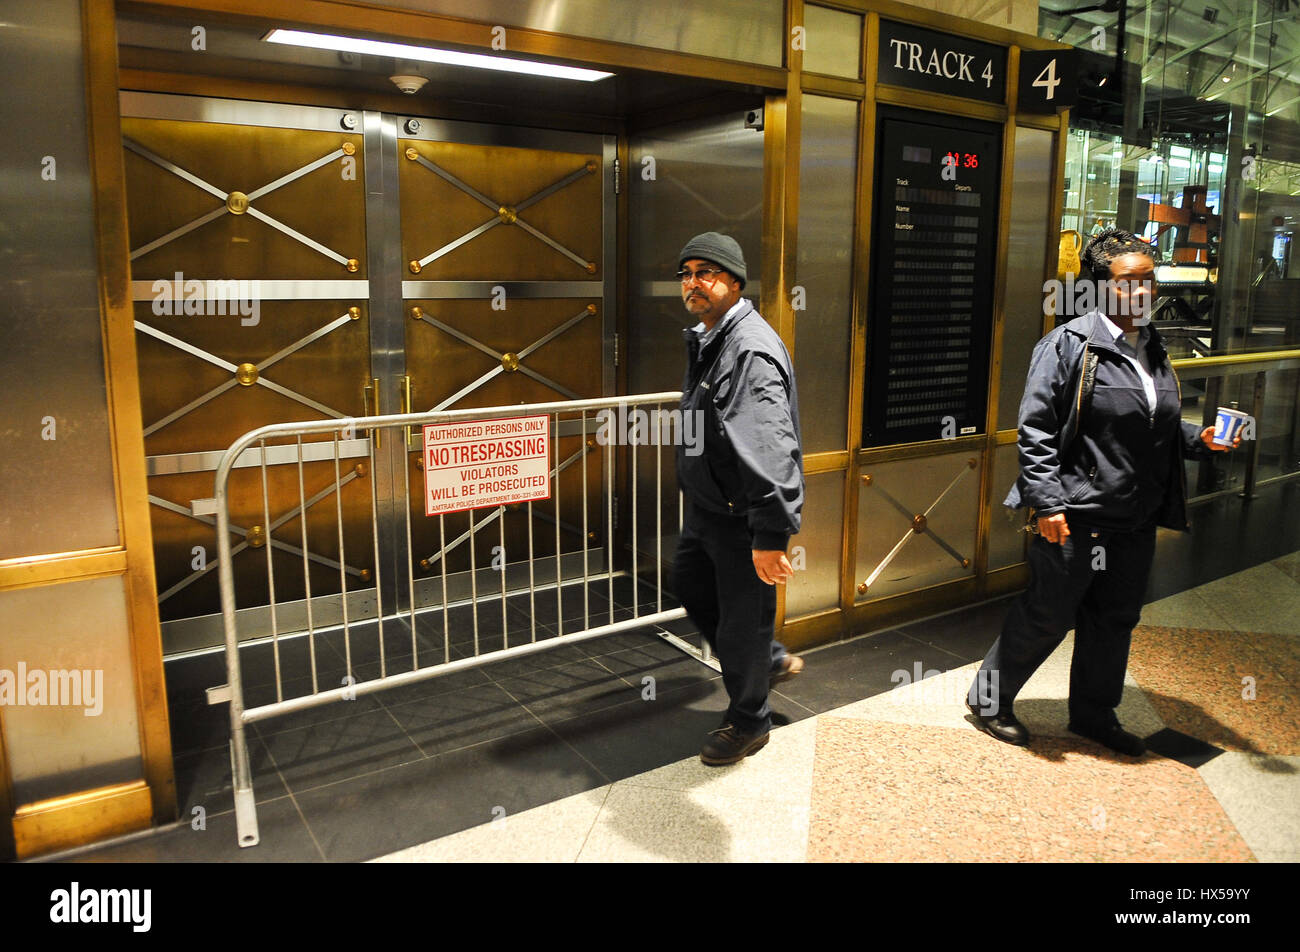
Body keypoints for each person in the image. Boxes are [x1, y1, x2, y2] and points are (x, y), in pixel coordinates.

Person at [967, 228, 1238, 755]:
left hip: (1134, 516)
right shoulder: (1068, 345)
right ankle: (989, 699)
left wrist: (1197, 439)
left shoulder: (1152, 348)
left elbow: (1151, 422)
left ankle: (1094, 713)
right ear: (1098, 288)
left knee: (1115, 618)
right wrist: (1046, 501)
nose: (1141, 293)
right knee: (1049, 612)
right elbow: (1037, 428)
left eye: (1148, 281)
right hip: (1075, 513)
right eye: (1128, 283)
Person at [671, 232, 806, 766]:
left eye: (706, 272)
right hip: (710, 510)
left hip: (742, 518)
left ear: (733, 281)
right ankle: (764, 660)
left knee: (742, 619)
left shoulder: (747, 347)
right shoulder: (711, 337)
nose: (693, 283)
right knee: (690, 583)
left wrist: (770, 534)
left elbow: (772, 445)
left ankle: (750, 720)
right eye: (686, 273)